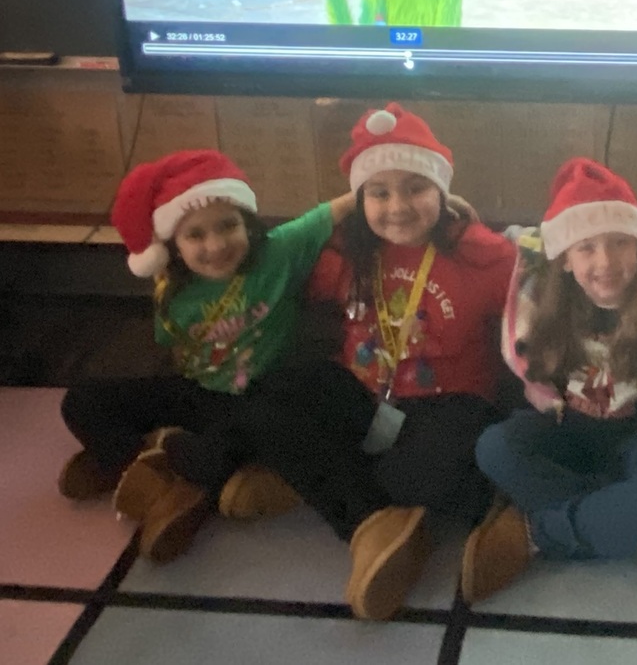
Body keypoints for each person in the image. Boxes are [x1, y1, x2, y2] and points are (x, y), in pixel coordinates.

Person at [235, 102, 517, 620]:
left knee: (420, 476)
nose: (398, 207)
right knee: (264, 405)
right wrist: (340, 207)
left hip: (450, 402)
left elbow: (540, 286)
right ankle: (375, 525)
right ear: (359, 199)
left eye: (416, 188)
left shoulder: (477, 252)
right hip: (366, 395)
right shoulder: (345, 251)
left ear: (442, 192)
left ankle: (334, 496)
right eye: (378, 193)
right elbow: (268, 259)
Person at [460, 157, 637, 603]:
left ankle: (537, 533)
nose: (605, 261)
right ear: (564, 259)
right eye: (587, 248)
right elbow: (485, 243)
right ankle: (636, 525)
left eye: (620, 243)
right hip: (565, 432)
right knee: (493, 447)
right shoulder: (542, 300)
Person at [58, 149, 353, 562]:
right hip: (200, 392)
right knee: (81, 402)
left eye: (228, 226)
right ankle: (152, 471)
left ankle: (173, 477)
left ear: (247, 223)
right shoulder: (173, 289)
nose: (215, 245)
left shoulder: (279, 251)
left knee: (227, 443)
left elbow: (338, 207)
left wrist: (419, 188)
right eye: (195, 235)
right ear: (173, 246)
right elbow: (175, 352)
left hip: (259, 401)